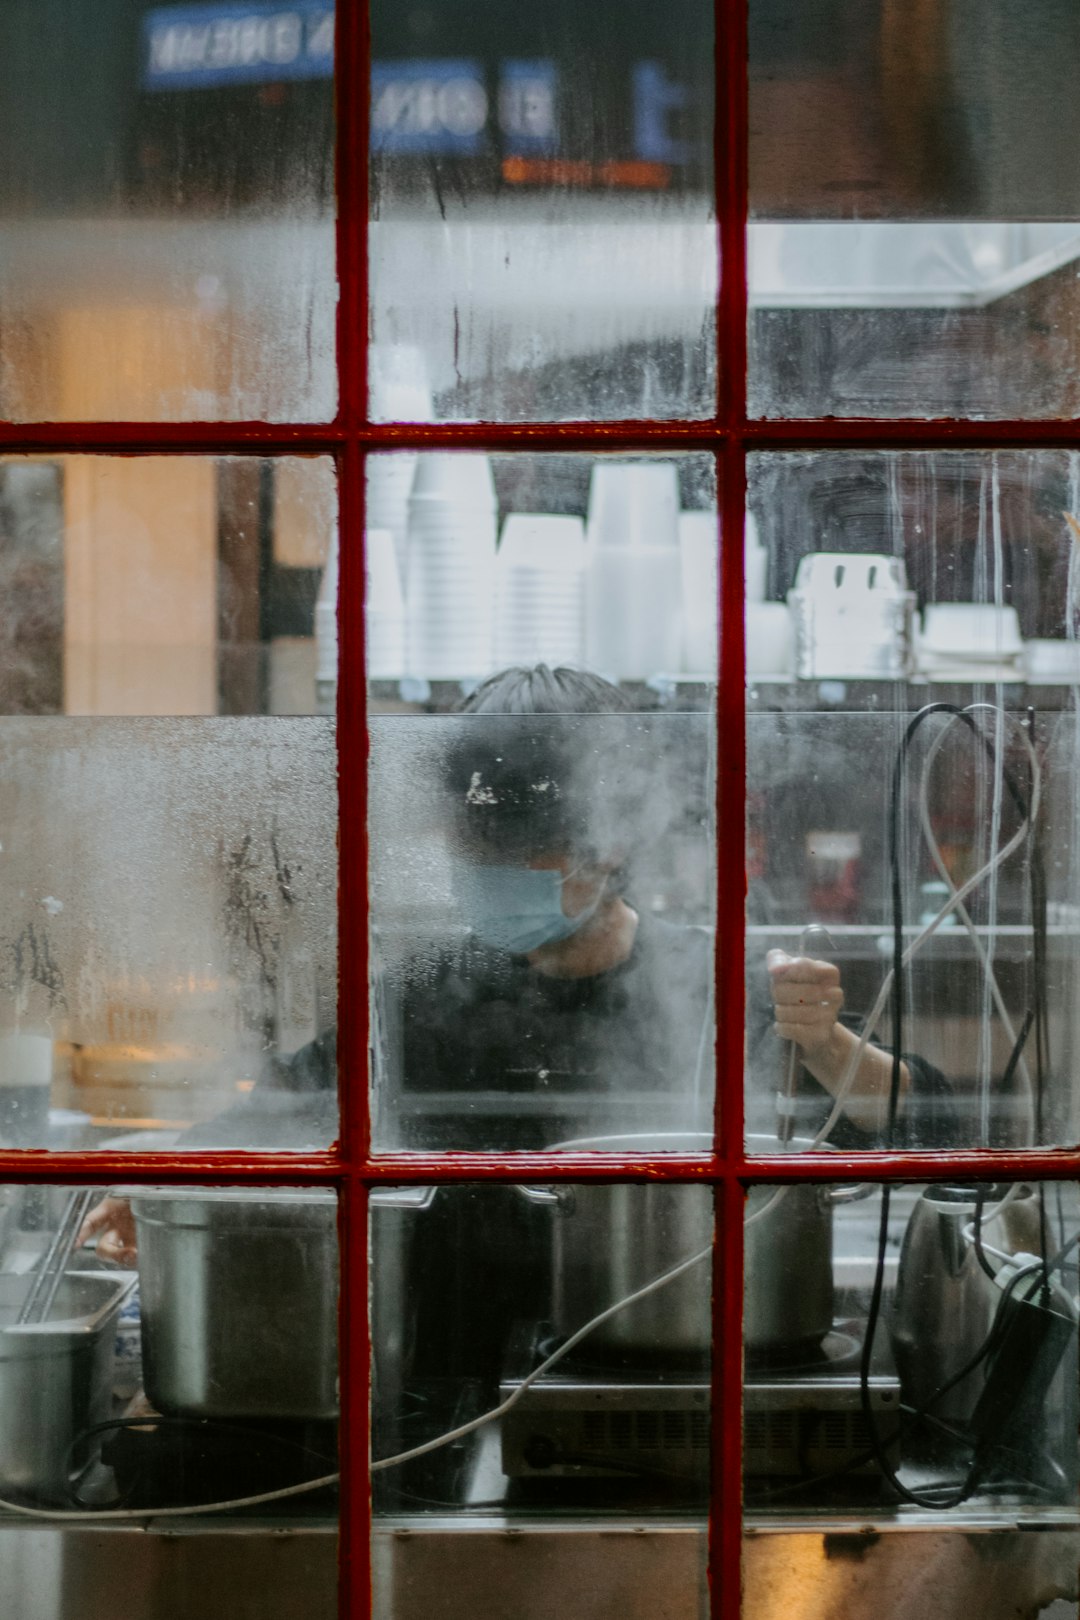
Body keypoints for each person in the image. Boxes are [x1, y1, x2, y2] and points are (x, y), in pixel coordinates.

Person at [81, 663, 953, 1265]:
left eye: (520, 847)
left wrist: (834, 1047)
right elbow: (288, 1108)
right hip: (438, 1371)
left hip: (650, 1351)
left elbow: (936, 1131)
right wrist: (163, 1176)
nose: (487, 871)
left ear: (610, 848)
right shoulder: (418, 998)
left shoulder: (715, 990)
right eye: (473, 844)